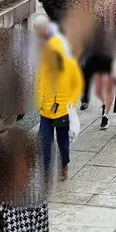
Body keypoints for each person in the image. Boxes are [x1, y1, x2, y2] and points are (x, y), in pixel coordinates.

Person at [35, 22, 83, 183]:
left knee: (63, 143)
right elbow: (39, 83)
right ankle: (46, 171)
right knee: (44, 141)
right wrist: (40, 101)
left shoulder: (70, 65)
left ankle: (64, 165)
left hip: (62, 110)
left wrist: (71, 101)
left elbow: (77, 84)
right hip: (46, 111)